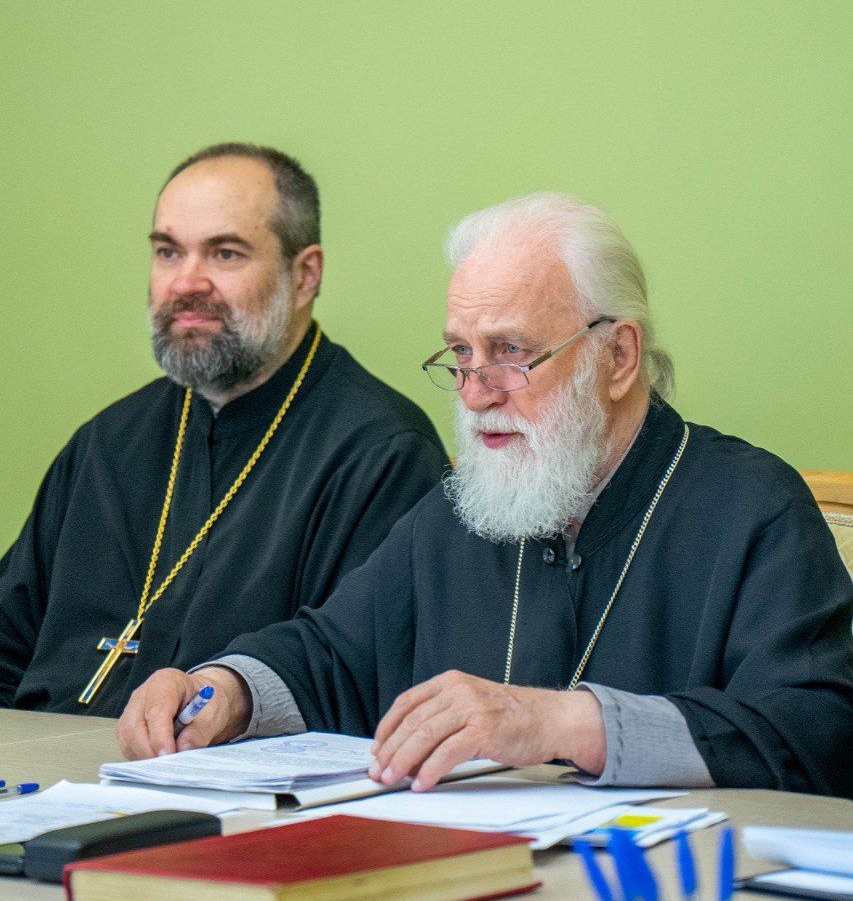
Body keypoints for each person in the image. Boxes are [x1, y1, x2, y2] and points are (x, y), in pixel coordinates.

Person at [117, 193, 853, 797]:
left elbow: (816, 729)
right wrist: (225, 690)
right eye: (461, 354)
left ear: (618, 356)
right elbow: (332, 654)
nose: (474, 394)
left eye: (510, 352)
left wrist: (567, 724)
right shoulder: (462, 511)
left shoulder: (751, 507)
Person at [1, 143, 447, 716]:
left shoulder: (382, 454)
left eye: (225, 253)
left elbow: (356, 686)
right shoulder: (107, 443)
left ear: (305, 275)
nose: (186, 282)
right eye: (168, 252)